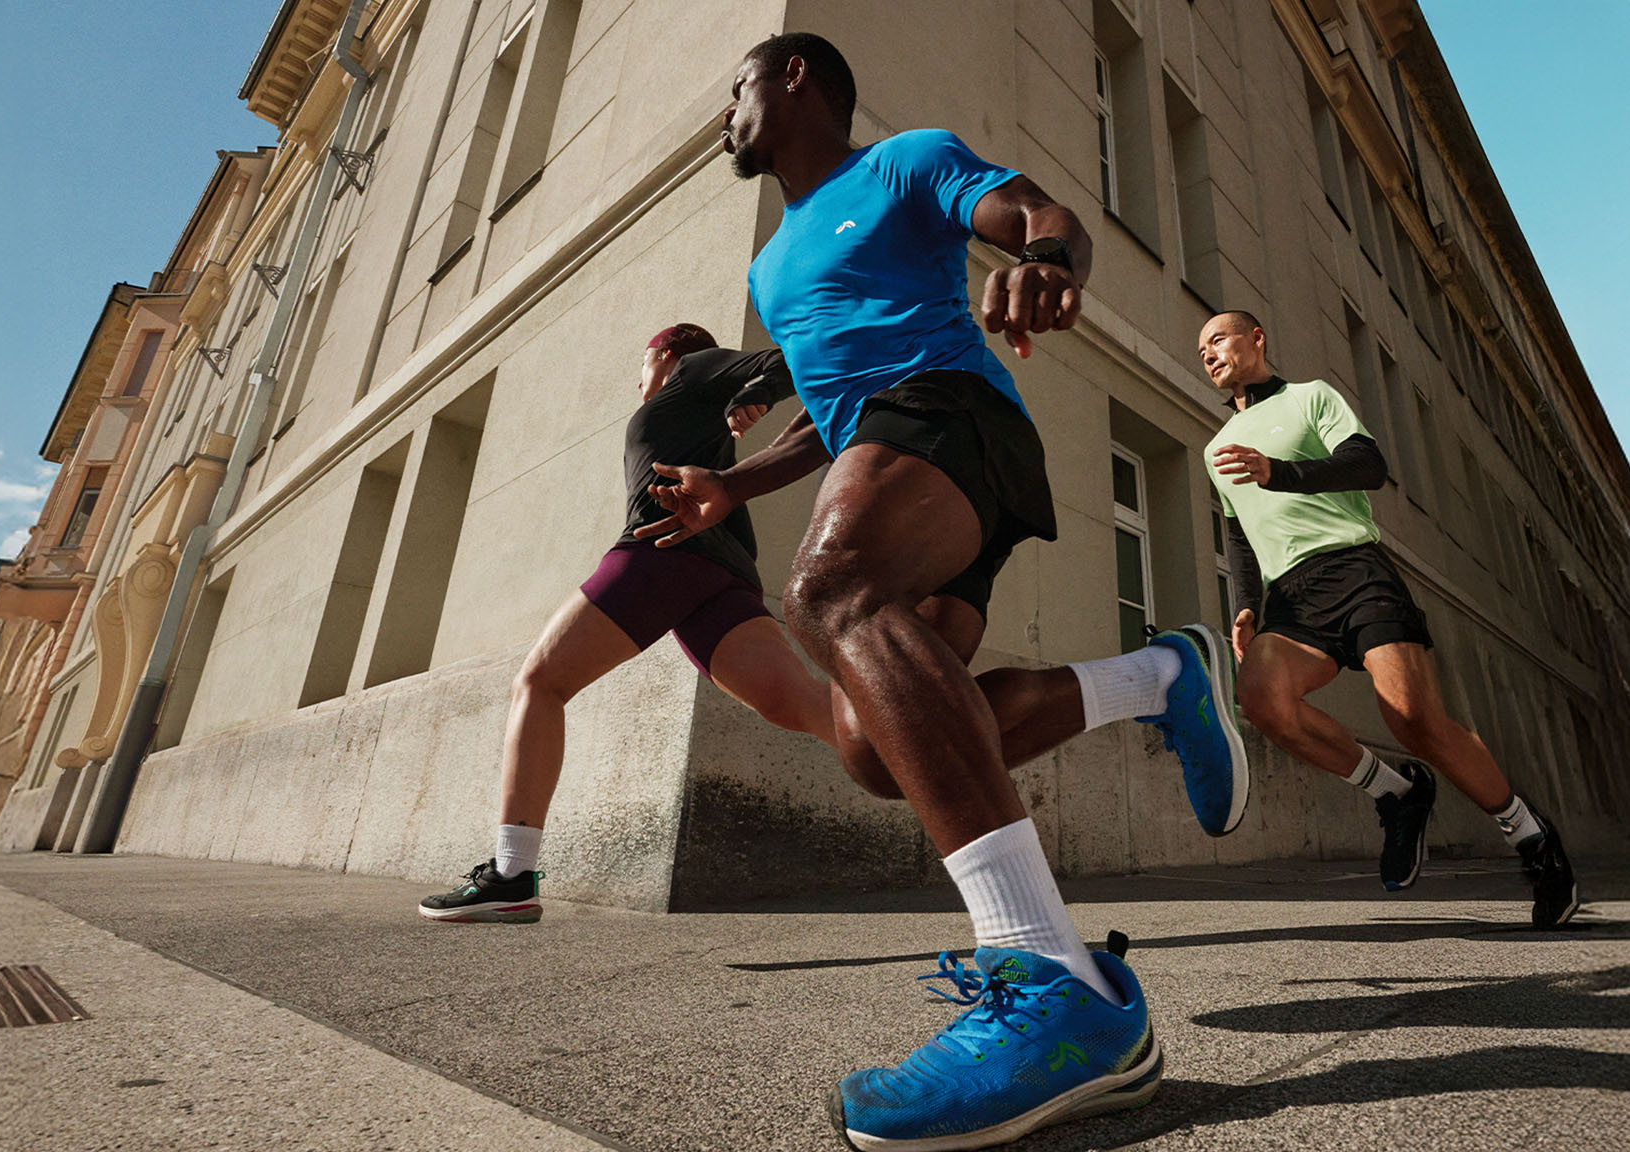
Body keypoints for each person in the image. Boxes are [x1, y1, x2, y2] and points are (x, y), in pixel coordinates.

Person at [638, 32, 1250, 1150]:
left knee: (829, 589)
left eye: (737, 88)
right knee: (881, 749)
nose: (725, 114)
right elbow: (827, 412)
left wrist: (1050, 262)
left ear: (795, 78)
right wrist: (732, 485)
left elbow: (1039, 214)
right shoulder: (768, 268)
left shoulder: (903, 162)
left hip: (954, 414)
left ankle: (1048, 976)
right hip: (891, 451)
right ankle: (1159, 677)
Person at [417, 324, 838, 924]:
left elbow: (800, 353)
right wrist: (756, 393)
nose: (638, 379)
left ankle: (511, 874)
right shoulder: (697, 405)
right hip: (721, 573)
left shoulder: (692, 370)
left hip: (662, 553)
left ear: (663, 354)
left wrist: (761, 391)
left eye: (642, 363)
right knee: (803, 706)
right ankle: (943, 766)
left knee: (539, 683)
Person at [1198, 309, 1579, 928]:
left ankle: (1533, 838)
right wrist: (1245, 606)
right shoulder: (1215, 448)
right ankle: (1397, 793)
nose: (1209, 354)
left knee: (1414, 720)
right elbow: (1238, 534)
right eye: (1202, 351)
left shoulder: (1310, 397)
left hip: (1355, 568)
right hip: (1289, 596)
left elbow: (1368, 467)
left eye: (1218, 339)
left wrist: (1280, 472)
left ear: (1256, 339)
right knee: (1263, 701)